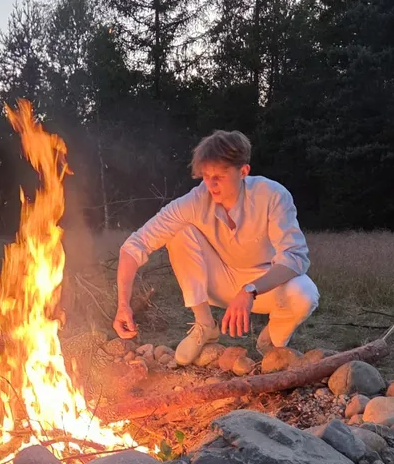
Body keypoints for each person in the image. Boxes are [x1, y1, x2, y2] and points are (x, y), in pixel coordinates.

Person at [112, 129, 319, 365]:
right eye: (206, 175)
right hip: (220, 282)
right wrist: (123, 305)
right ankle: (205, 325)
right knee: (179, 232)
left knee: (305, 294)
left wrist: (250, 290)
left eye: (219, 176)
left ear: (243, 171)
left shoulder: (272, 195)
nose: (211, 184)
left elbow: (294, 257)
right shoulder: (196, 200)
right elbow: (134, 245)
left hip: (264, 285)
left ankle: (272, 341)